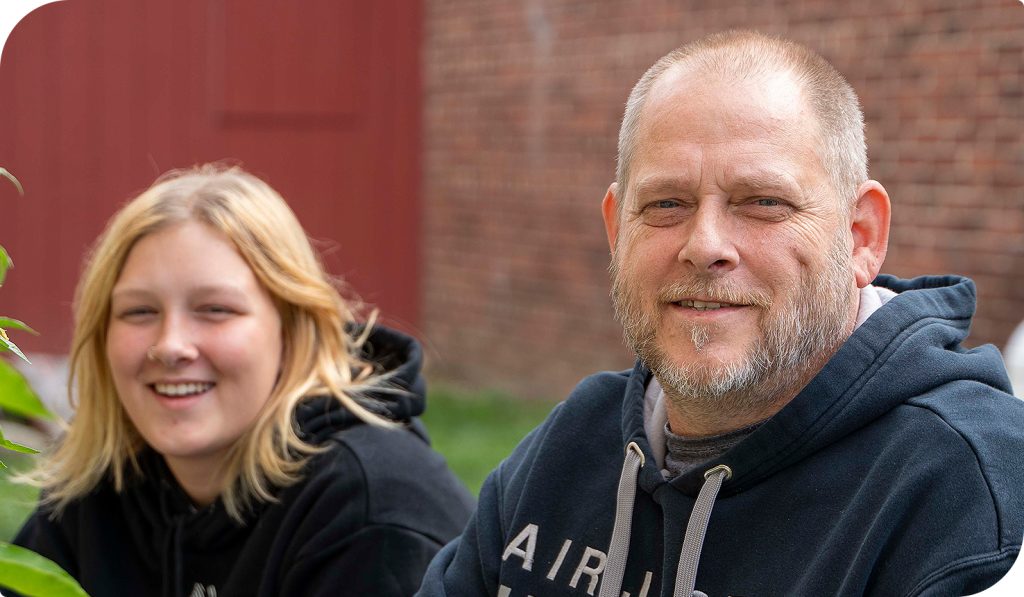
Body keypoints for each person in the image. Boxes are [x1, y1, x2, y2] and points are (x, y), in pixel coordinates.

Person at [418, 30, 1024, 596]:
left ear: (861, 236)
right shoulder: (568, 450)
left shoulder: (971, 490)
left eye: (763, 201)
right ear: (616, 232)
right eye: (666, 203)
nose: (705, 245)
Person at [12, 165, 475, 596]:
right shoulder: (100, 488)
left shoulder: (374, 512)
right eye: (139, 311)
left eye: (216, 309)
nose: (171, 345)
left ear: (293, 328)